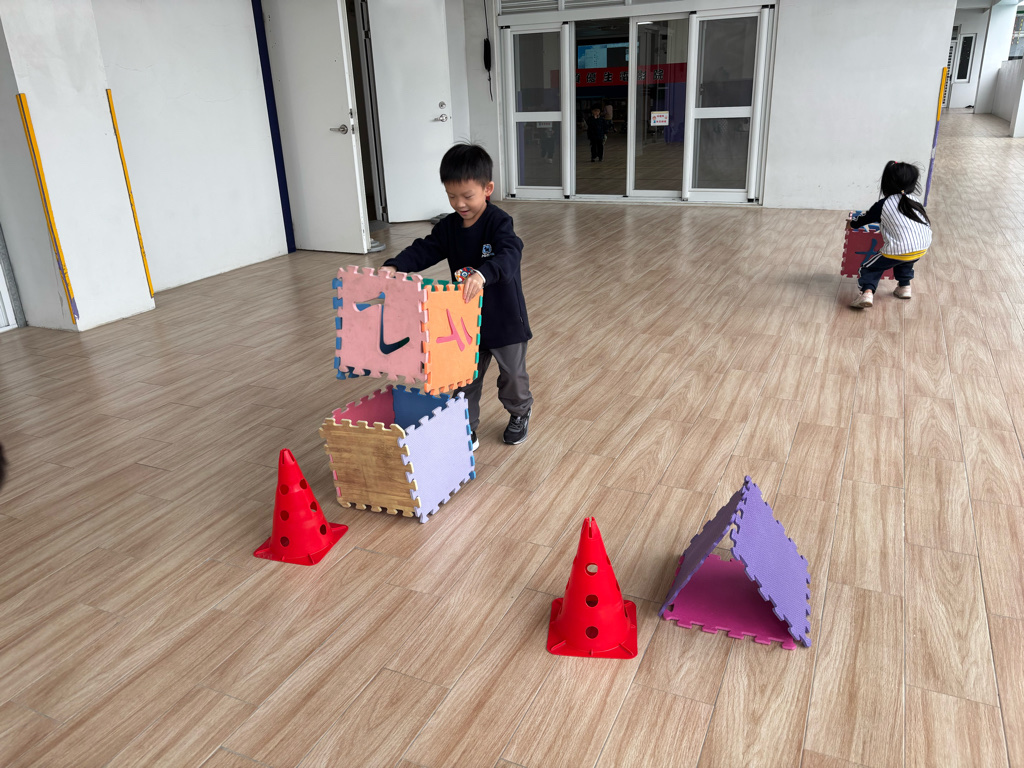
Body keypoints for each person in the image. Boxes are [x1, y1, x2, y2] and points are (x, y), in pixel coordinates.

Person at [379, 143, 533, 449]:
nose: (459, 203)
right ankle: (466, 427)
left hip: (504, 320)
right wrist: (396, 265)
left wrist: (483, 274)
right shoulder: (449, 228)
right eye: (451, 196)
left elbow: (510, 253)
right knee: (464, 380)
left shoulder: (499, 222)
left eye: (467, 196)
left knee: (513, 377)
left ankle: (520, 411)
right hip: (463, 322)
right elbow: (426, 248)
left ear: (487, 189)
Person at [849, 160, 932, 309]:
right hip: (922, 246)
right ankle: (904, 287)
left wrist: (852, 223)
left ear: (886, 183)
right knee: (905, 261)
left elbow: (864, 219)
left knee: (869, 268)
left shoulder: (883, 204)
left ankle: (867, 293)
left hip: (898, 248)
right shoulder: (915, 201)